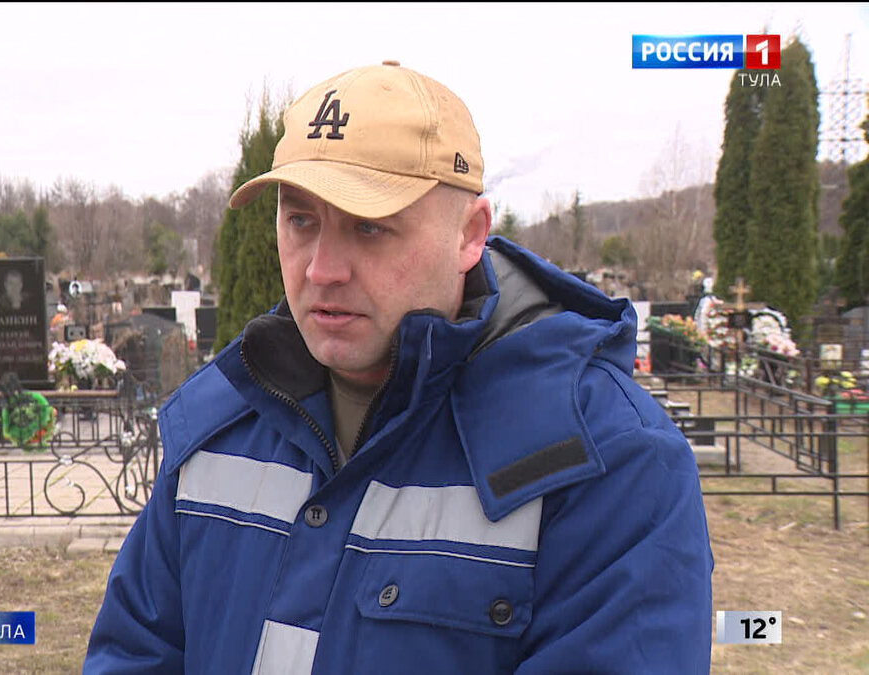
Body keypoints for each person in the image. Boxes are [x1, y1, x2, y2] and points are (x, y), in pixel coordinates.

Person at [84, 61, 713, 673]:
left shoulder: (608, 459)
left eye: (369, 227)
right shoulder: (222, 424)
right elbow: (134, 651)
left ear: (470, 235)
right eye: (300, 220)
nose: (322, 269)